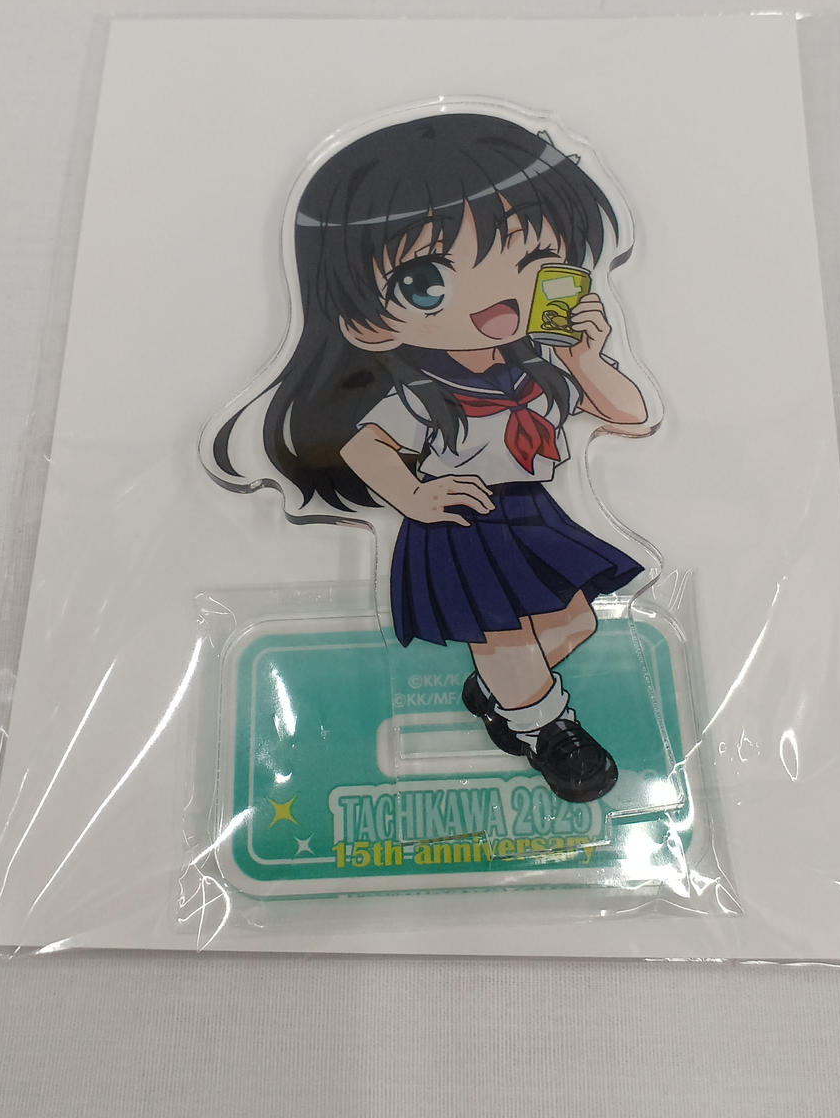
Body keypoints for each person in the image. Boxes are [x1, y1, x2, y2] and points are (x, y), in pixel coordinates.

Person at [212, 111, 653, 802]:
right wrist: (414, 496)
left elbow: (629, 415)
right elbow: (366, 445)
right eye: (427, 283)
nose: (492, 299)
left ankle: (499, 694)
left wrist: (585, 359)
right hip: (460, 523)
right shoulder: (422, 391)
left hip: (530, 514)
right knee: (506, 638)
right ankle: (549, 731)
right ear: (365, 319)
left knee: (574, 622)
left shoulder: (540, 371)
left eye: (533, 258)